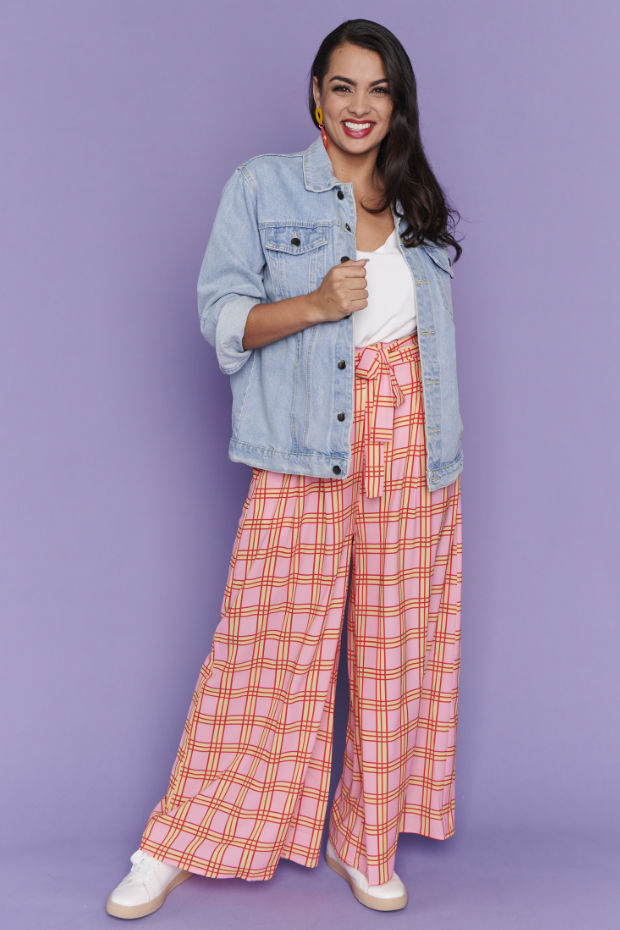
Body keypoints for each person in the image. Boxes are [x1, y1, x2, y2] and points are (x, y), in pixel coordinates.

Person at [106, 17, 464, 919]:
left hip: (413, 447)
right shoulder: (261, 186)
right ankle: (176, 841)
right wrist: (313, 303)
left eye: (378, 89)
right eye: (343, 87)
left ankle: (364, 839)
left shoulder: (414, 200)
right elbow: (221, 315)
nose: (359, 106)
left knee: (392, 651)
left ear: (397, 103)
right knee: (263, 648)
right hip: (307, 445)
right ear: (316, 95)